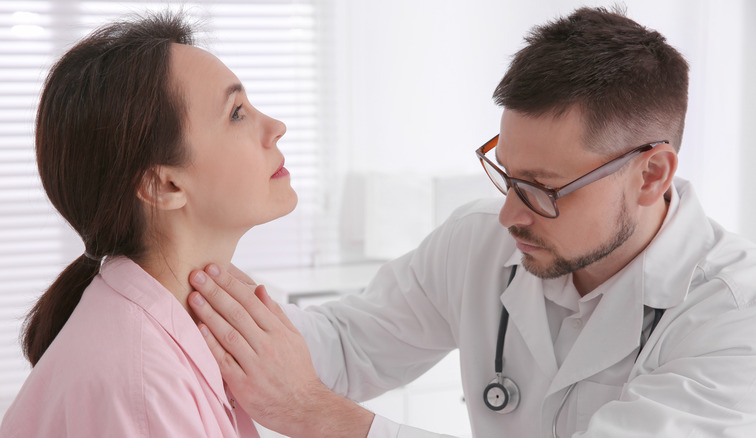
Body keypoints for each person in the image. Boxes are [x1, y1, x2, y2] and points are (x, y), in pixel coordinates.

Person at [186, 6, 756, 438]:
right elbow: (347, 344)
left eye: (542, 189)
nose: (509, 214)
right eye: (506, 175)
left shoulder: (733, 320)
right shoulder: (481, 241)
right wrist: (198, 281)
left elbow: (312, 392)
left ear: (651, 174)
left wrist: (321, 416)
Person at [0, 11, 297, 438]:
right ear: (164, 184)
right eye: (236, 113)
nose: (276, 128)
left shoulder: (163, 336)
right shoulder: (143, 383)